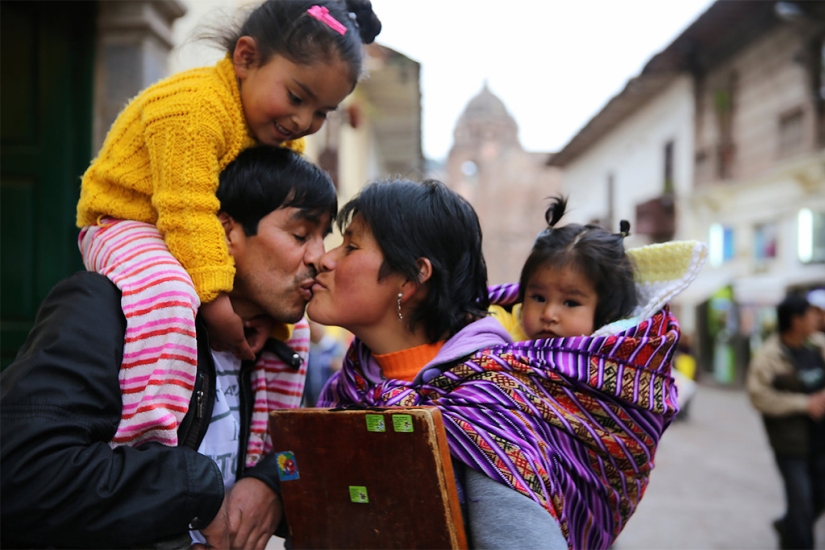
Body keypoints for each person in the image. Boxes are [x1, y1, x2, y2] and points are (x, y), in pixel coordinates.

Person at [307, 178, 682, 549]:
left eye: (350, 246)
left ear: (411, 278)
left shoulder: (486, 409)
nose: (325, 258)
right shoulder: (352, 384)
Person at [75, 0, 381, 449]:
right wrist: (218, 307)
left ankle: (264, 448)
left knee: (294, 325)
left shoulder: (280, 132)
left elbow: (274, 206)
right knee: (171, 295)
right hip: (125, 222)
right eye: (297, 97)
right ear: (246, 57)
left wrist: (270, 322)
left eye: (322, 112)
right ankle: (147, 445)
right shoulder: (191, 108)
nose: (303, 121)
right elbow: (187, 212)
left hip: (198, 235)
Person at [1, 146, 336, 549]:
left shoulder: (277, 345)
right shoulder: (108, 310)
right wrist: (196, 494)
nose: (319, 258)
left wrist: (269, 480)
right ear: (228, 233)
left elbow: (290, 449)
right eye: (301, 235)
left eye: (324, 237)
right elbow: (21, 475)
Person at [489, 195, 637, 341]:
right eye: (539, 298)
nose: (548, 315)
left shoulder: (615, 353)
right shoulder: (496, 326)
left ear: (608, 314)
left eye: (570, 303)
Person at [747, 293, 825, 550]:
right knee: (801, 502)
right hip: (790, 444)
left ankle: (787, 526)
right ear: (796, 320)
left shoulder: (818, 345)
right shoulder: (769, 357)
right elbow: (758, 396)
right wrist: (804, 404)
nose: (816, 318)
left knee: (819, 498)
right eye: (810, 313)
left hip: (820, 440)